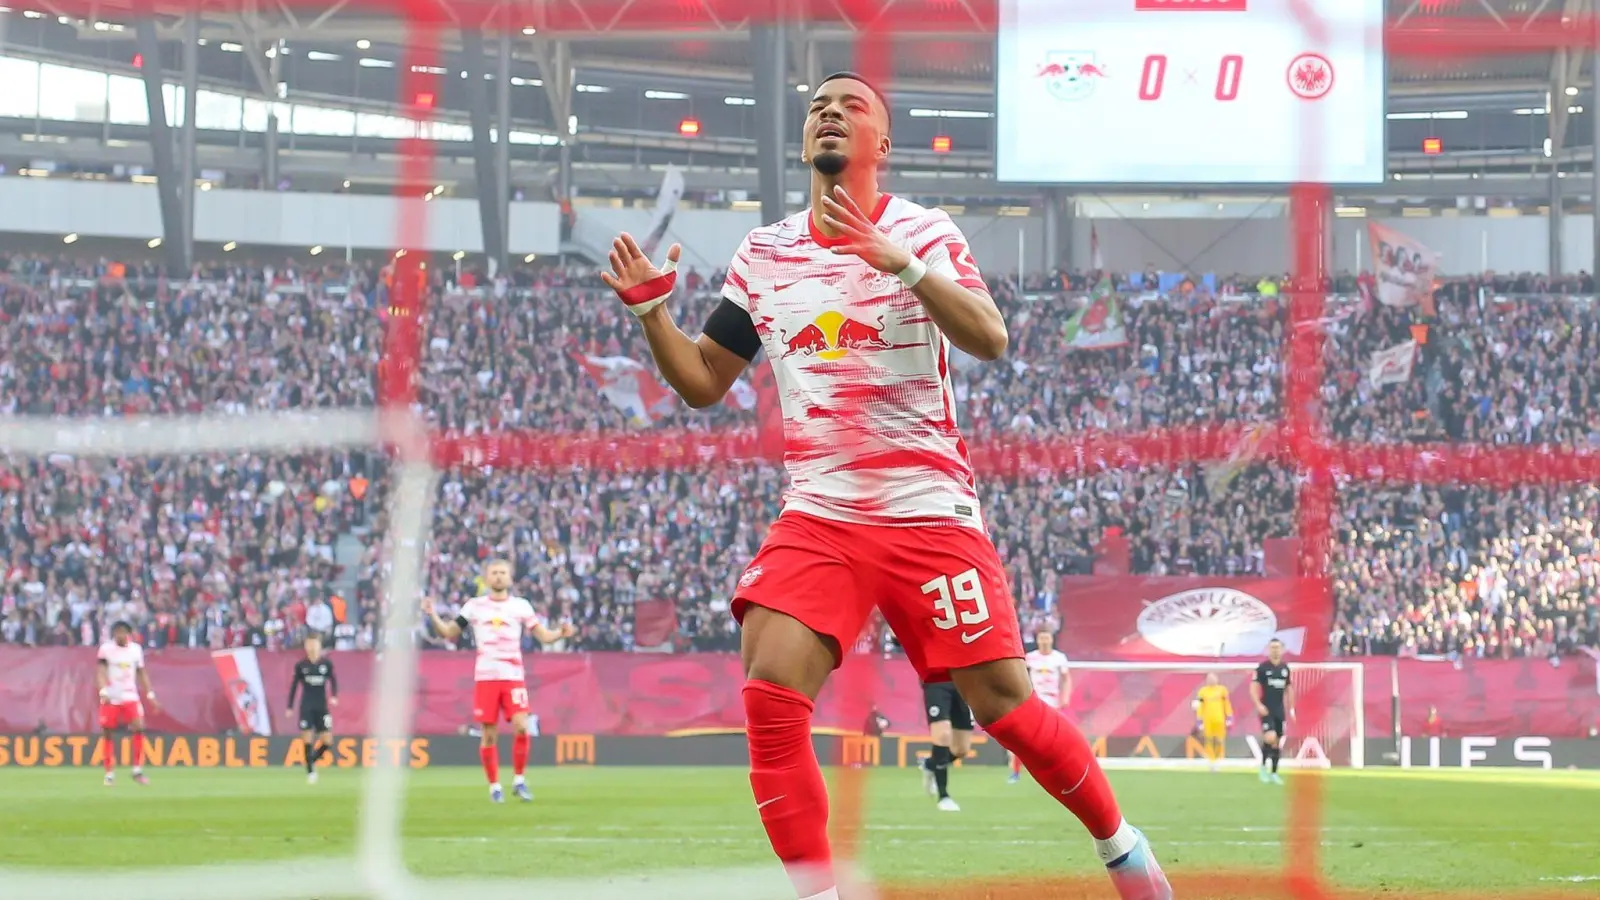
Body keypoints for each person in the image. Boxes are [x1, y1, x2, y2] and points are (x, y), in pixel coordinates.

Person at [600, 70, 1171, 900]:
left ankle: (1123, 849)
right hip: (821, 514)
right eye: (817, 107)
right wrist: (655, 316)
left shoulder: (923, 230)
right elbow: (702, 381)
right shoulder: (765, 254)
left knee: (1005, 705)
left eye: (851, 106)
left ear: (881, 143)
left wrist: (900, 263)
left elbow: (990, 338)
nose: (829, 113)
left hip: (927, 510)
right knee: (768, 691)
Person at [421, 559, 576, 803]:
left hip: (513, 677)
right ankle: (494, 786)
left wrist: (560, 633)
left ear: (510, 577)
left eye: (503, 572)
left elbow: (544, 636)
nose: (499, 577)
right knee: (489, 734)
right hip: (486, 677)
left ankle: (519, 780)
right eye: (494, 573)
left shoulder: (521, 606)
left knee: (522, 726)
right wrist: (432, 615)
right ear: (486, 577)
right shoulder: (474, 606)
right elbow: (450, 632)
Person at [96, 620, 158, 786]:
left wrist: (150, 694)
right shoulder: (106, 649)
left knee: (139, 727)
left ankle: (137, 770)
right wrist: (103, 690)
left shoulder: (135, 650)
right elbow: (101, 671)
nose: (120, 635)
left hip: (130, 695)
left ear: (129, 634)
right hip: (111, 696)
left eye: (123, 632)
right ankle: (109, 773)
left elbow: (141, 673)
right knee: (107, 732)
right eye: (117, 632)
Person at [1009, 630, 1071, 784]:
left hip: (1052, 702)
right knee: (1023, 737)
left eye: (1046, 637)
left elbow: (1066, 678)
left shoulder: (1059, 658)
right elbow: (1020, 678)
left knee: (1052, 739)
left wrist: (1066, 696)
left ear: (1051, 639)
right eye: (1041, 638)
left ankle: (1057, 772)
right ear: (1037, 640)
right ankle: (1015, 772)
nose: (1044, 640)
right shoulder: (1030, 658)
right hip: (1032, 701)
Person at [286, 635, 339, 784]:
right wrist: (290, 706)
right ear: (306, 647)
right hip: (307, 706)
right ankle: (310, 771)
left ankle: (310, 760)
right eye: (309, 645)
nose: (312, 648)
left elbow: (333, 680)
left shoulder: (326, 664)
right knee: (307, 738)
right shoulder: (301, 666)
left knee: (327, 741)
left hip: (322, 706)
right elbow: (294, 686)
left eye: (314, 645)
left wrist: (334, 695)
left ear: (319, 646)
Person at [919, 679, 972, 811]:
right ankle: (943, 796)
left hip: (963, 681)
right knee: (943, 735)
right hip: (937, 680)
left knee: (961, 749)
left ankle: (930, 764)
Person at [1252, 638, 1293, 785]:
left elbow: (1289, 688)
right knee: (1270, 737)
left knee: (1276, 743)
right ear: (1269, 649)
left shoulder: (1284, 669)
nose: (1275, 650)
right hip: (1266, 709)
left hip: (1279, 710)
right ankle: (1263, 768)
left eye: (1277, 647)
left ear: (1282, 650)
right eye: (1272, 647)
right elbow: (1253, 687)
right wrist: (1258, 704)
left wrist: (1291, 708)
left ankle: (1274, 773)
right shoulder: (1262, 668)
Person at [1193, 672, 1233, 772]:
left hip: (1219, 719)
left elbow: (1226, 704)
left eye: (1213, 678)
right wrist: (1199, 720)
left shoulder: (1222, 690)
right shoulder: (1203, 692)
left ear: (1217, 679)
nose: (1211, 680)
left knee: (1220, 740)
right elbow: (1200, 707)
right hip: (1207, 720)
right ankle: (1211, 761)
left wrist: (1229, 717)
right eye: (1209, 678)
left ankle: (1219, 760)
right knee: (1209, 740)